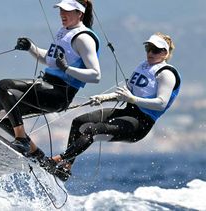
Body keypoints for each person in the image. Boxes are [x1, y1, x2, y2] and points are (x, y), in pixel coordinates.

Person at [45, 32, 181, 181]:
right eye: (148, 48)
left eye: (155, 50)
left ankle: (57, 160)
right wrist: (103, 98)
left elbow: (161, 103)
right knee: (79, 122)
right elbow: (125, 94)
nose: (150, 53)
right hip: (127, 112)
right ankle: (66, 168)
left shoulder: (166, 74)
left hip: (139, 124)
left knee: (92, 130)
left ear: (165, 53)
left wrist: (133, 99)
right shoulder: (143, 67)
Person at [0, 0, 101, 159]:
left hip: (59, 94)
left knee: (4, 86)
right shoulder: (65, 32)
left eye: (67, 11)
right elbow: (48, 59)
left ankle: (21, 139)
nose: (62, 14)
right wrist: (31, 48)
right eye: (61, 10)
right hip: (46, 88)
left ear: (80, 13)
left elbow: (96, 75)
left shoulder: (83, 38)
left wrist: (67, 69)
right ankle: (36, 153)